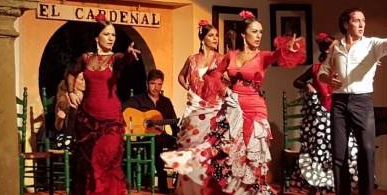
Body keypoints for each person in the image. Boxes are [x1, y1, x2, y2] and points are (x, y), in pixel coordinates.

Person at [163, 10, 306, 195]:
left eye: (261, 32)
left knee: (249, 157)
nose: (258, 36)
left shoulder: (262, 56)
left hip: (254, 110)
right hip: (231, 109)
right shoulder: (230, 56)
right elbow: (213, 76)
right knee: (225, 155)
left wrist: (288, 48)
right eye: (254, 31)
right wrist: (225, 91)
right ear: (243, 34)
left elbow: (276, 54)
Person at [318, 8, 387, 195]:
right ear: (346, 24)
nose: (362, 24)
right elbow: (323, 71)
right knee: (339, 153)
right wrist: (328, 79)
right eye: (357, 20)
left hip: (361, 102)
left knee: (367, 150)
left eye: (363, 20)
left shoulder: (370, 44)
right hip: (338, 103)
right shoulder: (336, 47)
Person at [65, 13, 141, 194]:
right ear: (96, 37)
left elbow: (124, 59)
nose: (111, 38)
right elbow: (71, 73)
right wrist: (71, 92)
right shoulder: (86, 58)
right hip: (87, 121)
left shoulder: (115, 58)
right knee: (88, 165)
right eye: (107, 34)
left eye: (113, 35)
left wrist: (129, 55)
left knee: (105, 162)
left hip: (111, 121)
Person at [160, 20, 224, 195]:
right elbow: (181, 76)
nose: (215, 38)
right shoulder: (192, 59)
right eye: (211, 35)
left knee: (207, 152)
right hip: (194, 111)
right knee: (189, 151)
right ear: (202, 38)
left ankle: (207, 189)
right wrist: (189, 88)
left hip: (212, 110)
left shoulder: (220, 59)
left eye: (217, 35)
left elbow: (227, 80)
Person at [291, 33, 359, 194]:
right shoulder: (316, 68)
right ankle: (318, 185)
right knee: (320, 149)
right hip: (321, 115)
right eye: (335, 47)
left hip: (340, 113)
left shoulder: (343, 66)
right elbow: (297, 81)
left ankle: (343, 183)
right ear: (328, 51)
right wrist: (307, 85)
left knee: (350, 148)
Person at [121, 69, 179, 194]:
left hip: (160, 138)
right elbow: (122, 110)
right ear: (147, 83)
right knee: (154, 141)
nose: (156, 87)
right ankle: (159, 183)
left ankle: (177, 182)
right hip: (142, 137)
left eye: (159, 84)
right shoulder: (139, 100)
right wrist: (126, 126)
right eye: (153, 83)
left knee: (161, 140)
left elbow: (174, 123)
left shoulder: (166, 102)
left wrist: (178, 137)